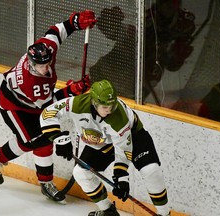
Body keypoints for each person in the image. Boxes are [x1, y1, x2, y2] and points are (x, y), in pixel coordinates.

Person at [0, 10, 97, 202]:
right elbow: (50, 106)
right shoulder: (30, 82)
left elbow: (56, 31)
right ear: (31, 65)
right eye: (41, 67)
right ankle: (44, 183)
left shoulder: (44, 50)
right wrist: (73, 90)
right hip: (13, 107)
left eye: (48, 63)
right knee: (41, 140)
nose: (46, 68)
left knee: (33, 140)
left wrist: (75, 22)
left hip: (34, 104)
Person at [40, 79, 170, 216]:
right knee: (80, 173)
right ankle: (108, 211)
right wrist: (60, 140)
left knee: (151, 170)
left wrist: (121, 178)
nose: (109, 110)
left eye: (112, 106)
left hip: (134, 136)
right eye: (105, 107)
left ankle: (164, 213)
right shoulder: (77, 104)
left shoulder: (118, 117)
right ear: (94, 103)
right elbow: (47, 114)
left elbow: (123, 149)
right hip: (103, 143)